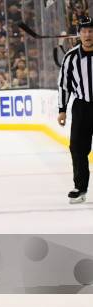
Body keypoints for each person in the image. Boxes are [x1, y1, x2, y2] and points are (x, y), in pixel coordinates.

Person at [58, 16, 93, 204]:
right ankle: (80, 187)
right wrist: (62, 109)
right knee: (77, 148)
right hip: (81, 108)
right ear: (79, 34)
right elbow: (64, 86)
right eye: (85, 31)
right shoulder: (71, 57)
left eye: (91, 31)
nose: (88, 34)